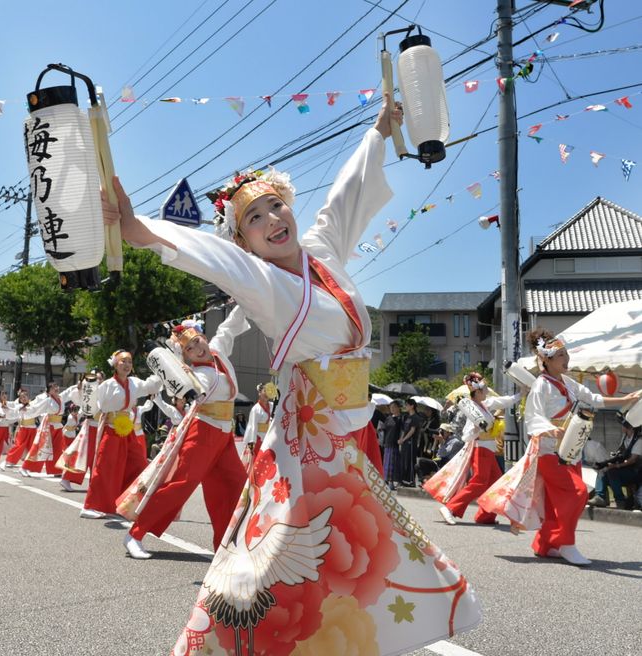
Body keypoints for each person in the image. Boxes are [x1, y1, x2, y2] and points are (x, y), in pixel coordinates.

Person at [104, 94, 479, 655]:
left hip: (353, 431)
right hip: (311, 444)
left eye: (275, 206)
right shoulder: (261, 282)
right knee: (284, 554)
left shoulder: (321, 255)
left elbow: (345, 199)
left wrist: (378, 132)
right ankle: (216, 642)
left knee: (360, 555)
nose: (271, 220)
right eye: (253, 218)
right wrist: (139, 229)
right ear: (244, 241)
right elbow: (212, 257)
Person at [479, 330, 640, 566]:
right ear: (546, 360)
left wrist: (625, 401)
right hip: (549, 452)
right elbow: (534, 418)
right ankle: (565, 543)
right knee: (578, 493)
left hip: (570, 449)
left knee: (556, 502)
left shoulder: (569, 382)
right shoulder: (541, 386)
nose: (567, 358)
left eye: (566, 353)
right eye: (561, 355)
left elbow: (594, 399)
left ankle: (545, 544)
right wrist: (551, 429)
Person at [120, 309, 249, 559]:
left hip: (224, 435)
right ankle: (135, 533)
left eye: (197, 341)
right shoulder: (193, 375)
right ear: (185, 356)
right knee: (181, 484)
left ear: (203, 336)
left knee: (235, 486)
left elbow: (230, 324)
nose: (197, 349)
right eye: (189, 349)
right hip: (202, 431)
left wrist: (245, 297)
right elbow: (178, 386)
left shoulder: (219, 350)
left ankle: (226, 547)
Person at [426, 373, 523, 526]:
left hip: (488, 451)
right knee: (479, 483)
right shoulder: (473, 410)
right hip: (481, 450)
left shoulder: (486, 404)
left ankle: (485, 516)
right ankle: (450, 508)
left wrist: (522, 393)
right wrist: (477, 429)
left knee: (495, 483)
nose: (487, 391)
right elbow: (466, 436)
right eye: (484, 389)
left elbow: (505, 401)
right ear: (477, 392)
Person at [80, 351, 161, 519]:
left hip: (127, 431)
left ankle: (124, 503)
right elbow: (94, 405)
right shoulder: (107, 385)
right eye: (123, 361)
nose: (127, 364)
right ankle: (90, 506)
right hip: (111, 429)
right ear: (116, 365)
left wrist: (162, 370)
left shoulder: (134, 383)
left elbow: (150, 386)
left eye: (130, 361)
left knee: (138, 464)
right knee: (105, 468)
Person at [588, 418, 642, 509]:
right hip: (625, 469)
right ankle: (600, 497)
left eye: (624, 425)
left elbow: (632, 460)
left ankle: (620, 500)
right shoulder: (625, 437)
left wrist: (616, 465)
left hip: (635, 472)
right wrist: (605, 463)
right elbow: (620, 455)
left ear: (630, 427)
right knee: (603, 470)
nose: (622, 426)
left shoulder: (639, 440)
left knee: (612, 471)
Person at [242, 383, 272, 463]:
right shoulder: (256, 409)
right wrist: (252, 442)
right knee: (257, 462)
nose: (266, 393)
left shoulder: (272, 406)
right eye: (264, 391)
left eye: (268, 391)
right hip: (258, 438)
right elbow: (252, 427)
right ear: (259, 393)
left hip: (268, 438)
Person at [398, 398, 422, 486]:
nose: (406, 406)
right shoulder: (407, 417)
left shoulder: (416, 417)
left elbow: (412, 430)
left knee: (410, 461)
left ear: (412, 406)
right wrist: (401, 439)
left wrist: (404, 439)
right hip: (405, 442)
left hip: (411, 442)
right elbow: (404, 430)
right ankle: (404, 479)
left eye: (407, 405)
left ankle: (411, 480)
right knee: (404, 460)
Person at [382, 400, 403, 488]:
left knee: (393, 463)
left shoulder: (401, 419)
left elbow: (403, 431)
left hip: (395, 443)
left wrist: (401, 440)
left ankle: (392, 482)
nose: (392, 409)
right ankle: (385, 480)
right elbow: (384, 430)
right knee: (386, 462)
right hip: (387, 442)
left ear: (398, 408)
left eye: (394, 407)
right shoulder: (388, 418)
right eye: (391, 407)